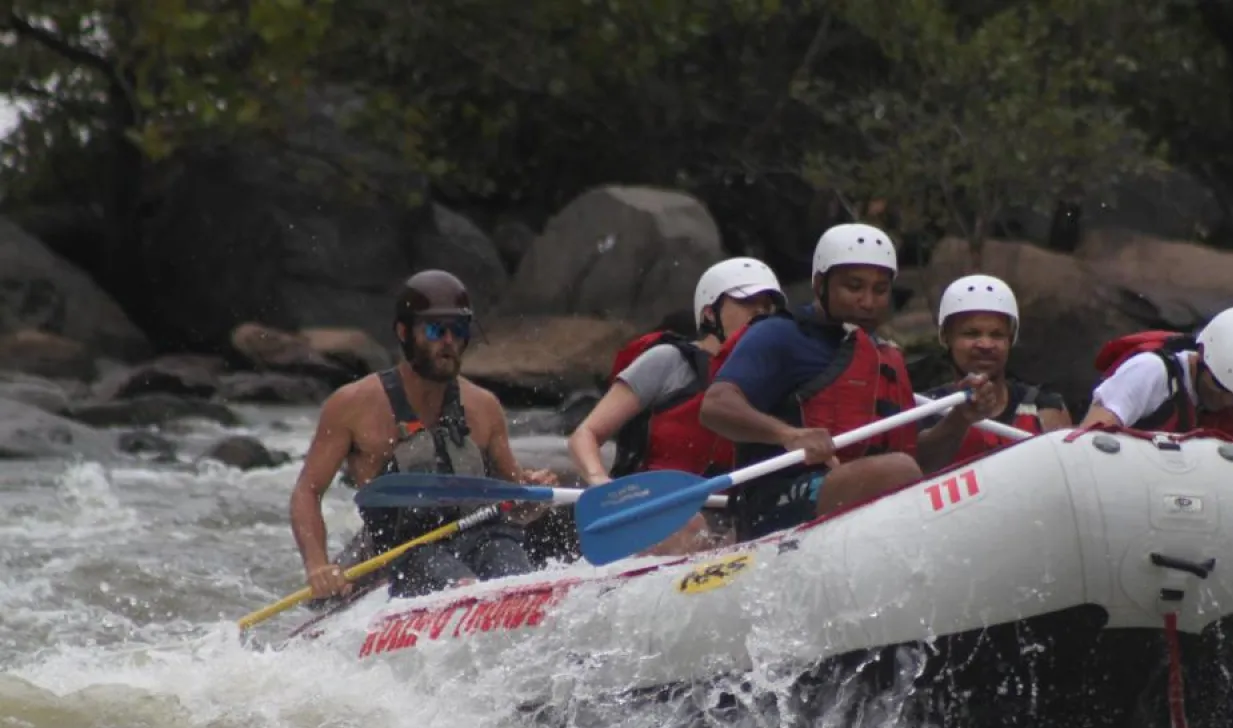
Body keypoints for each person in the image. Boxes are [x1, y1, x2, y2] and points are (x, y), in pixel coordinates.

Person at [699, 223, 999, 539]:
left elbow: (916, 463)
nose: (868, 301)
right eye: (854, 287)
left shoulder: (884, 356)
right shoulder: (780, 334)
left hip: (859, 501)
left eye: (880, 290)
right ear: (819, 284)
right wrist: (787, 434)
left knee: (904, 470)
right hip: (777, 503)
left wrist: (960, 419)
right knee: (896, 470)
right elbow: (716, 405)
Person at [289, 269, 560, 601]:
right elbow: (308, 490)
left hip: (481, 540)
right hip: (403, 554)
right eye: (435, 330)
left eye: (458, 330)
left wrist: (534, 493)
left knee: (512, 567)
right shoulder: (352, 405)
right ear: (404, 333)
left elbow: (516, 499)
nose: (448, 341)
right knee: (449, 577)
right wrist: (317, 566)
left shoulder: (484, 407)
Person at [566, 257, 785, 555]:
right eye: (750, 303)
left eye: (768, 307)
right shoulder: (668, 361)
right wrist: (598, 481)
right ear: (710, 313)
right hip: (651, 512)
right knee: (690, 526)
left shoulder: (774, 379)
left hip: (727, 517)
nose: (762, 314)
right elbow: (585, 435)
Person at [1079, 305, 1233, 507]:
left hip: (1197, 513)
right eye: (1220, 386)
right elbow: (1087, 441)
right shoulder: (1150, 372)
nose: (1227, 400)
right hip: (1129, 498)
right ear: (1202, 357)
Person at [916, 274, 1070, 471]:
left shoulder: (1045, 408)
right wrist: (960, 418)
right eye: (971, 334)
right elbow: (918, 469)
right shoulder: (922, 408)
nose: (986, 345)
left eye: (997, 335)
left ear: (1010, 340)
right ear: (947, 338)